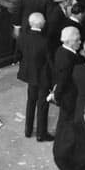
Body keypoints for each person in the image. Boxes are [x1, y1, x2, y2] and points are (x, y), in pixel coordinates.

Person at [16, 13, 54, 141]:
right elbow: (50, 61)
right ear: (42, 23)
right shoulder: (45, 41)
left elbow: (18, 54)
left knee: (31, 101)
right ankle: (41, 134)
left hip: (29, 74)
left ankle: (28, 130)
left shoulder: (22, 37)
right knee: (42, 105)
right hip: (43, 76)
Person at [51, 26, 83, 129]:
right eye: (77, 40)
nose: (80, 42)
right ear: (69, 42)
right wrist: (56, 95)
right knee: (69, 122)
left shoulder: (60, 50)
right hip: (70, 95)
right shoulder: (68, 58)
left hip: (67, 94)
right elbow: (63, 80)